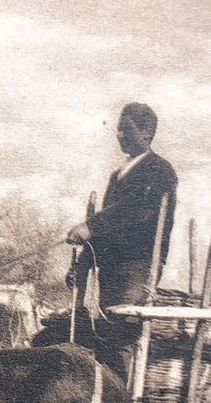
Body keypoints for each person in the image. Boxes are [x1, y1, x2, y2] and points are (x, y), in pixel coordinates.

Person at [66, 102, 178, 311]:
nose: (119, 135)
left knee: (126, 324)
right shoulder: (117, 176)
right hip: (110, 267)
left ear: (147, 133)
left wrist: (90, 227)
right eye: (118, 129)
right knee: (108, 324)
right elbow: (108, 225)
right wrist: (83, 262)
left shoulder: (159, 169)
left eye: (127, 129)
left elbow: (138, 210)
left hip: (138, 265)